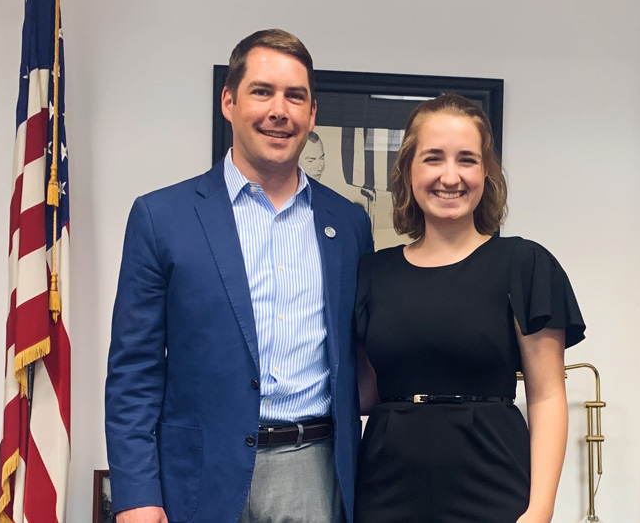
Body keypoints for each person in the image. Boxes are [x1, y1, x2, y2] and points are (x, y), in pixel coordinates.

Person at [105, 29, 373, 523]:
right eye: (262, 91)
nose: (280, 110)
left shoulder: (348, 223)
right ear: (228, 101)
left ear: (312, 114)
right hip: (198, 477)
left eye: (296, 96)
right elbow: (133, 374)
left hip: (314, 472)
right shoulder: (162, 217)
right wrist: (136, 496)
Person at [353, 93, 585, 523]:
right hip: (386, 491)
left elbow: (548, 395)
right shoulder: (373, 272)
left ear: (486, 173)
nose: (450, 175)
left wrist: (540, 510)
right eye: (433, 158)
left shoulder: (524, 264)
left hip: (492, 488)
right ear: (408, 170)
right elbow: (364, 394)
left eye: (467, 159)